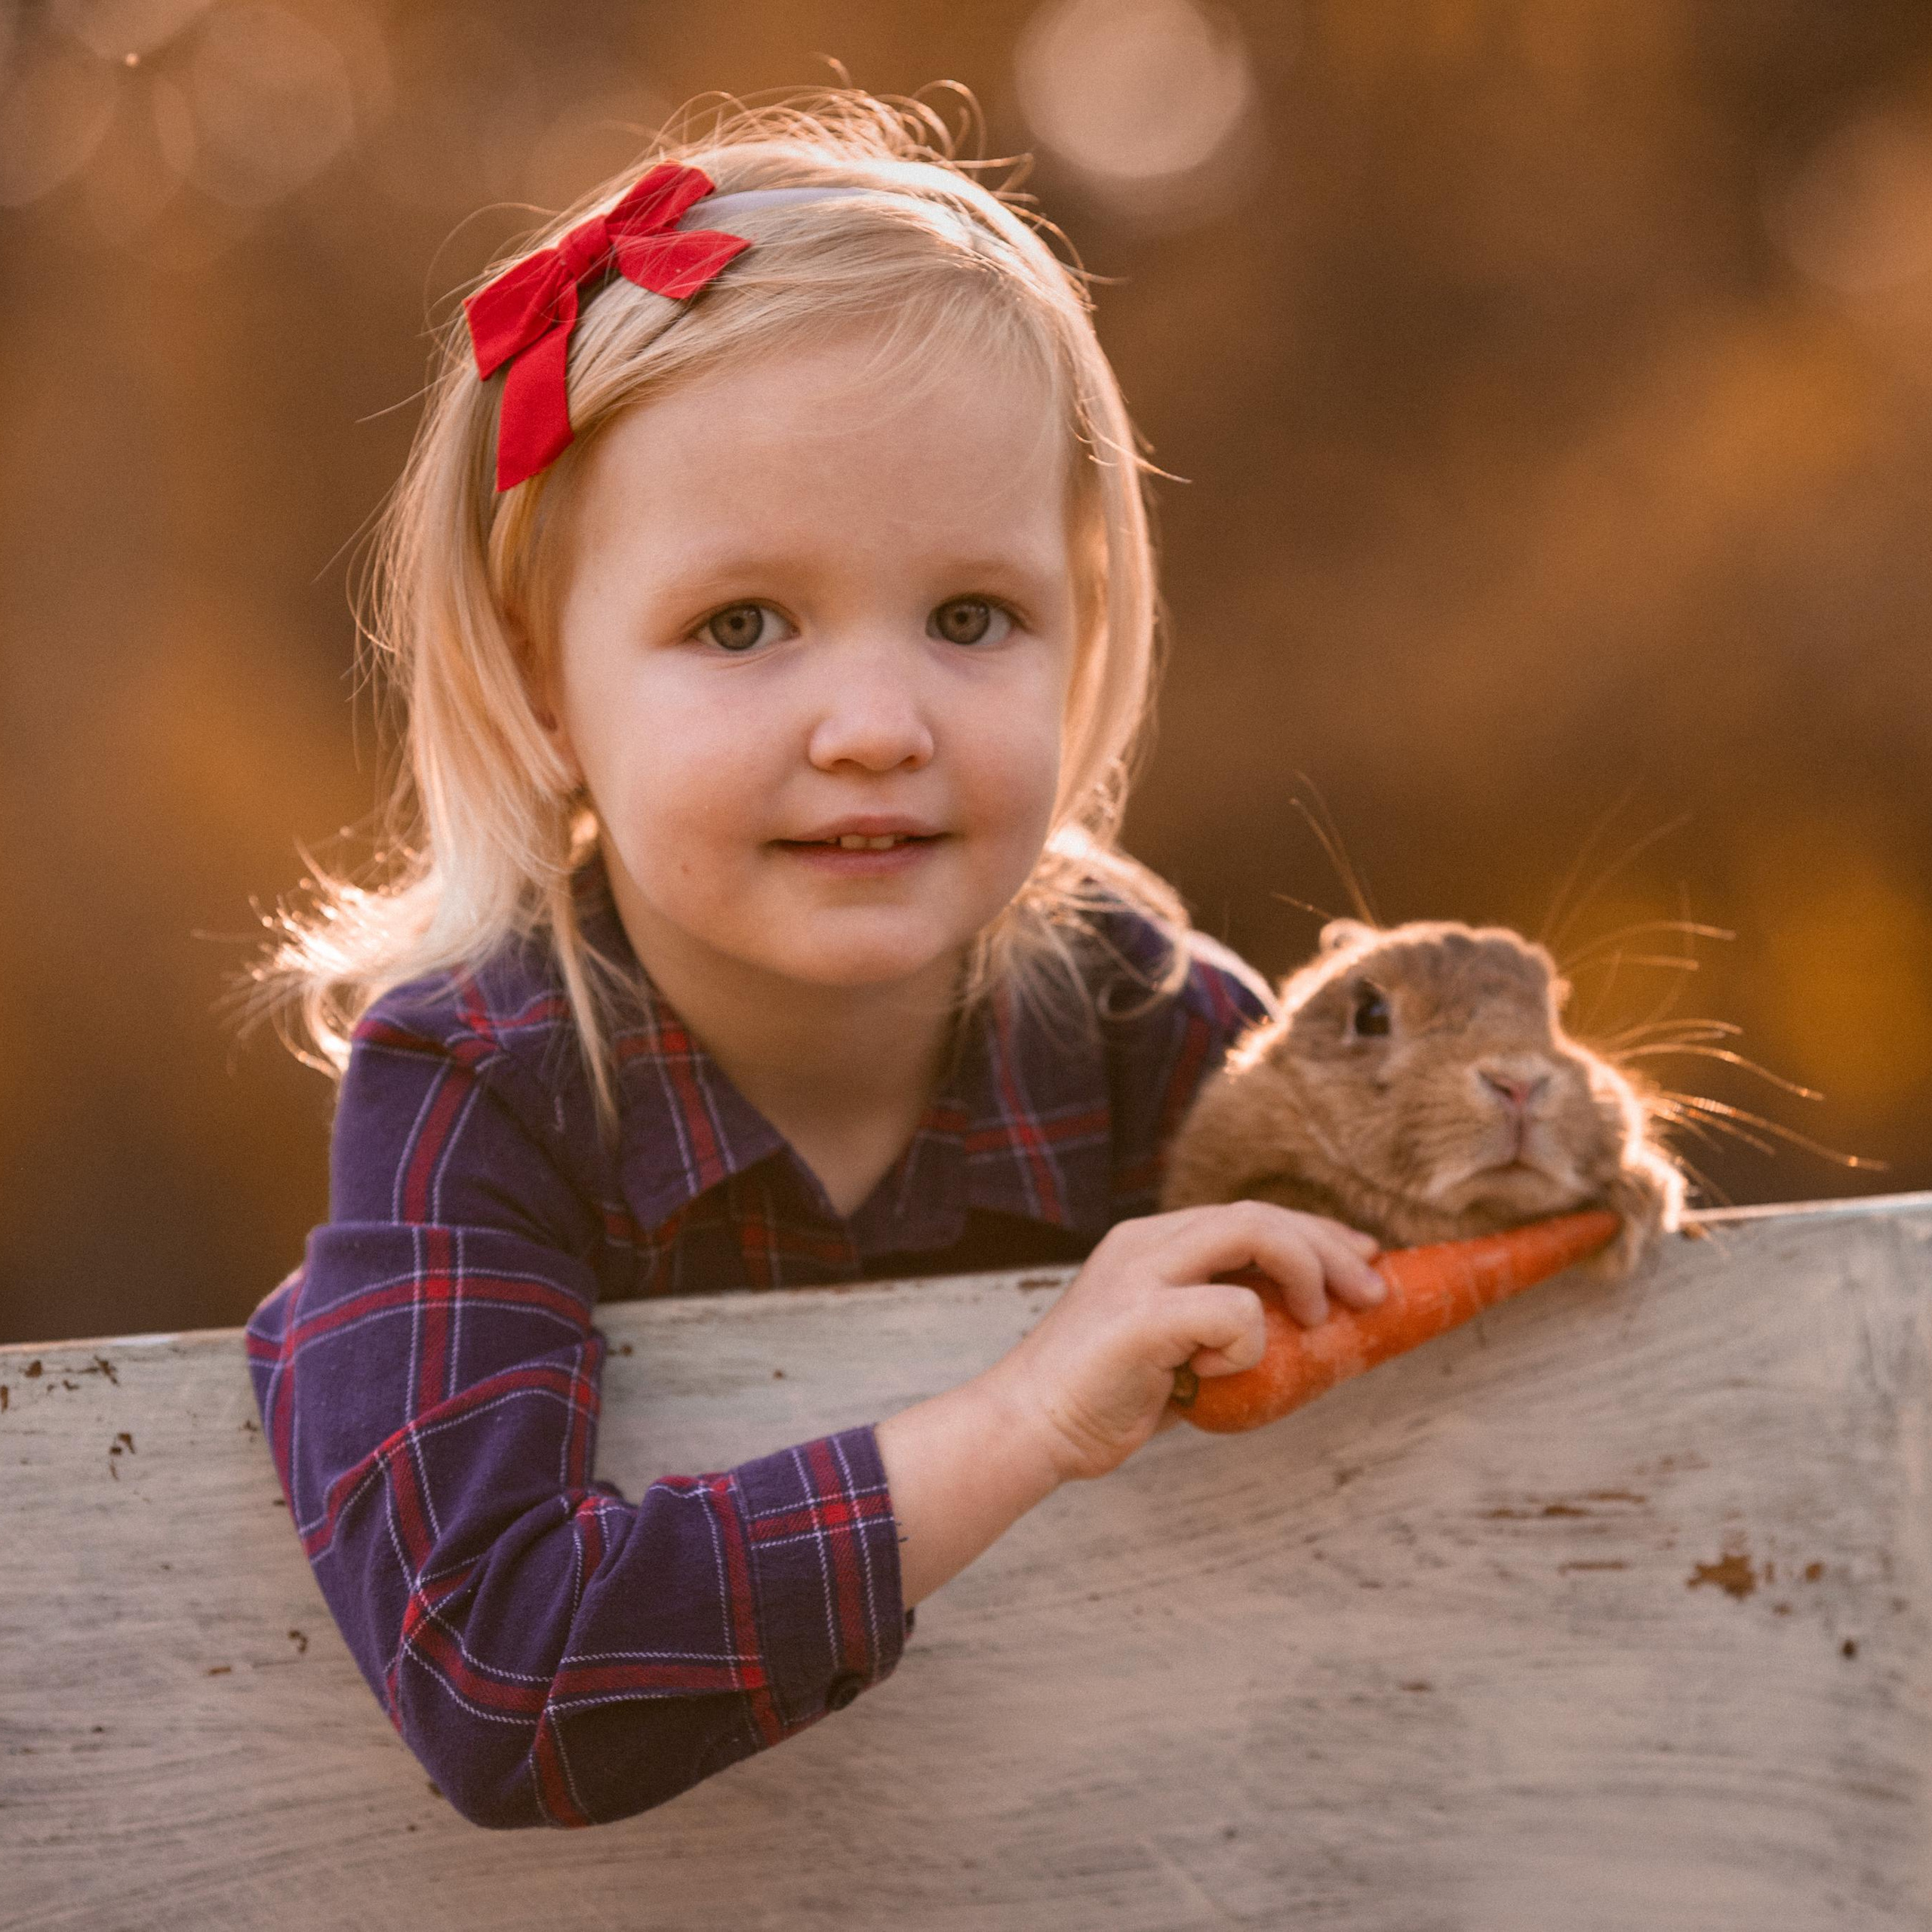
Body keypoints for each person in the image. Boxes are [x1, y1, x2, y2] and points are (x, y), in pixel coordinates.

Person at [237, 89, 1387, 1830]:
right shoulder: (480, 1080)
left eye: (970, 616)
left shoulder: (1142, 1020)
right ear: (544, 680)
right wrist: (1021, 1420)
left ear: (1085, 635)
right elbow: (500, 1673)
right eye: (742, 624)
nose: (872, 725)